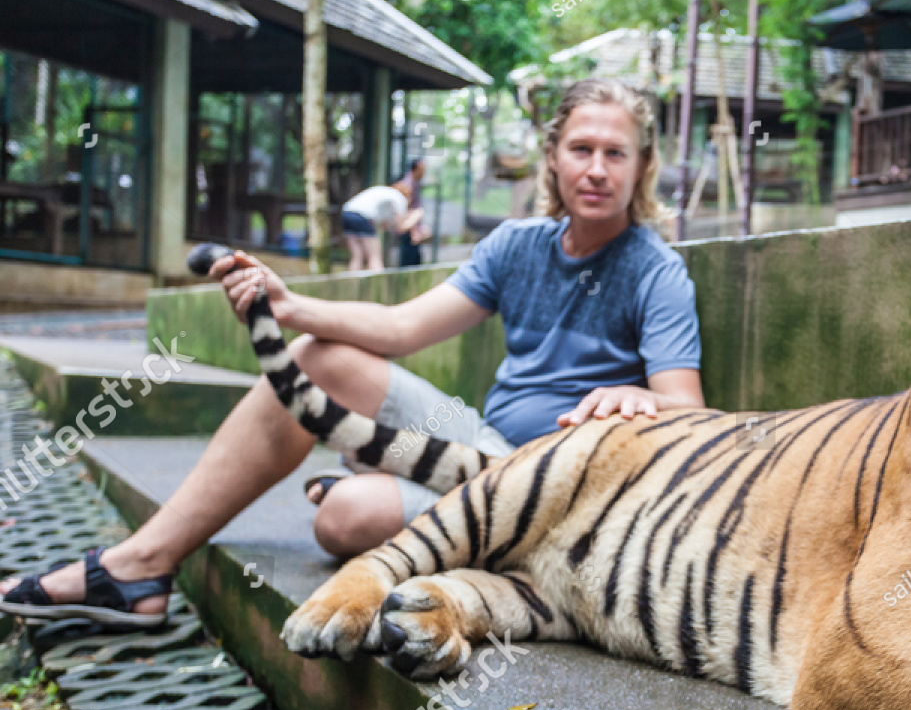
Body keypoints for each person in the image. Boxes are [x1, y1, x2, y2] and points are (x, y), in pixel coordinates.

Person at [0, 79, 705, 628]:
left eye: (617, 153)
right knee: (317, 355)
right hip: (482, 447)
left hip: (553, 491)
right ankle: (141, 565)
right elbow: (400, 328)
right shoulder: (514, 247)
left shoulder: (655, 269)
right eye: (582, 148)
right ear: (554, 156)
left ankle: (372, 464)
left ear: (642, 166)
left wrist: (646, 398)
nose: (597, 168)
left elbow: (689, 413)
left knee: (344, 522)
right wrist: (289, 303)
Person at [340, 176, 425, 271]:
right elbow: (400, 228)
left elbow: (385, 225)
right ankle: (378, 284)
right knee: (374, 256)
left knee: (357, 256)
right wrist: (416, 216)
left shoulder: (386, 194)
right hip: (362, 216)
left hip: (346, 213)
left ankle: (352, 284)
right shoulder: (399, 198)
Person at [394, 159, 431, 267]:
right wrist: (414, 231)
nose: (424, 173)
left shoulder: (414, 183)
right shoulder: (407, 185)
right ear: (415, 169)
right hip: (409, 231)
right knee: (408, 263)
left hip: (412, 230)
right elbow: (406, 210)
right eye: (422, 170)